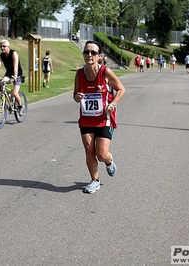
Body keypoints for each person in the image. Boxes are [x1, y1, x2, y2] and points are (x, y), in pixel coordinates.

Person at [73, 40, 126, 194]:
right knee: (89, 150)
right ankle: (94, 180)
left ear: (98, 56)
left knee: (101, 154)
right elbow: (75, 94)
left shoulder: (106, 72)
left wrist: (113, 104)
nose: (89, 55)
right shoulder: (79, 74)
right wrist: (77, 96)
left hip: (104, 119)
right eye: (87, 52)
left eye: (93, 52)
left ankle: (109, 161)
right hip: (86, 119)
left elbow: (121, 89)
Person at [0, 39, 24, 115]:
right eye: (1, 46)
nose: (2, 48)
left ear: (8, 46)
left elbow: (15, 67)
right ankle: (2, 99)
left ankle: (20, 107)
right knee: (1, 83)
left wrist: (14, 77)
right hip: (8, 73)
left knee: (15, 93)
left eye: (4, 46)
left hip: (17, 74)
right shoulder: (1, 55)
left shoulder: (13, 53)